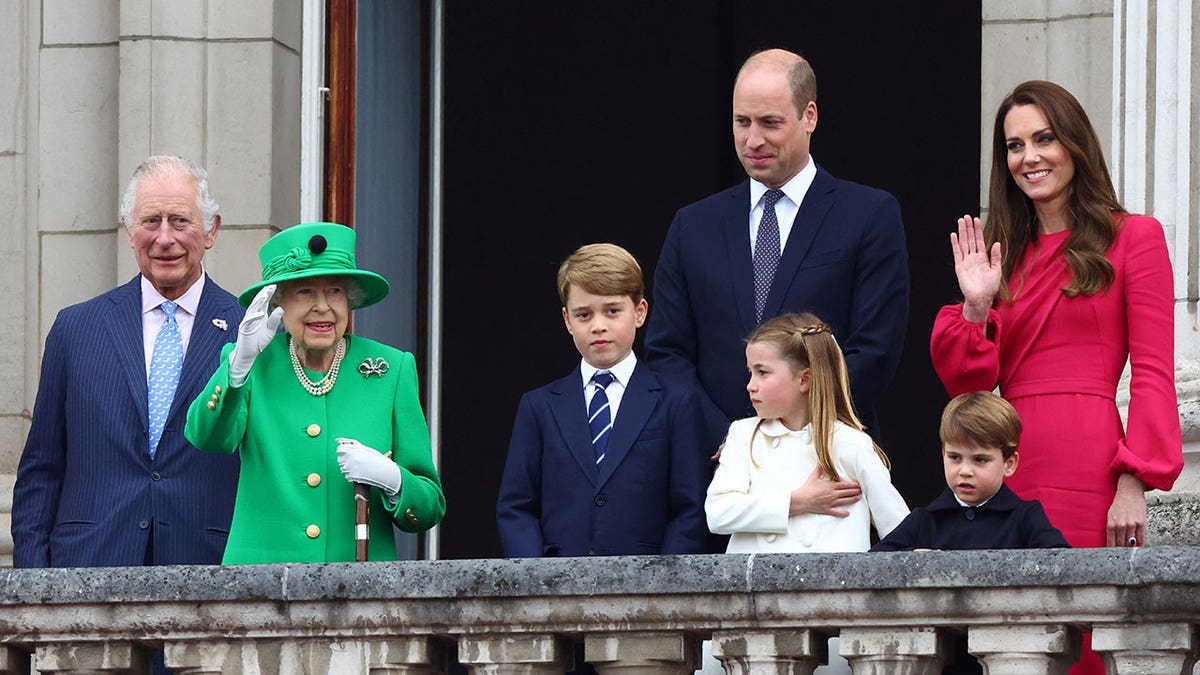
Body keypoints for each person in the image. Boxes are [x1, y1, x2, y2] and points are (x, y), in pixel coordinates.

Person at [931, 80, 1183, 674]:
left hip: (1088, 461)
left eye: (1044, 138)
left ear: (1075, 144)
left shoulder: (1134, 237)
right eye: (1015, 146)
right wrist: (975, 306)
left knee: (1082, 638)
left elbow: (1152, 372)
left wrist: (1133, 480)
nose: (1030, 157)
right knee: (1011, 636)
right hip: (1010, 459)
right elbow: (968, 384)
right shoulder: (1002, 257)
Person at [647, 48, 908, 465]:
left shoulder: (868, 215)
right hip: (716, 467)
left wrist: (795, 434)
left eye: (770, 122)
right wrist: (732, 438)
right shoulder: (692, 225)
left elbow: (874, 349)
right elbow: (667, 352)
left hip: (827, 460)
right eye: (741, 122)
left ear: (810, 117)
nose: (753, 140)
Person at [12, 155, 243, 568]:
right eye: (150, 221)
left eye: (180, 221)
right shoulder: (76, 328)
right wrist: (33, 585)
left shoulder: (252, 332)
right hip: (88, 568)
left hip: (211, 573)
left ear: (211, 230)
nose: (164, 237)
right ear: (128, 230)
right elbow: (42, 467)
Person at [184, 222, 445, 563]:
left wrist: (393, 479)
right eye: (305, 291)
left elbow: (428, 507)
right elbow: (207, 437)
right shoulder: (252, 363)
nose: (323, 306)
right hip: (261, 587)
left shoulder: (391, 370)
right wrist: (238, 366)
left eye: (335, 291)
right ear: (278, 301)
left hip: (358, 593)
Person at [496, 243, 709, 558]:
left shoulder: (677, 402)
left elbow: (690, 509)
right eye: (584, 314)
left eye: (612, 310)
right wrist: (535, 581)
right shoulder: (539, 406)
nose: (598, 325)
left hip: (649, 586)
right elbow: (516, 506)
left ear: (639, 312)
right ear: (567, 320)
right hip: (556, 587)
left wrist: (665, 588)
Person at [706, 312, 909, 553]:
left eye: (763, 372)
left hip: (830, 588)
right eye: (751, 371)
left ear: (805, 380)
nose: (750, 384)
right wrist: (797, 502)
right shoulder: (743, 435)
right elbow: (718, 514)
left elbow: (898, 528)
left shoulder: (850, 444)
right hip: (754, 588)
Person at [872, 391, 1069, 551]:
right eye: (955, 458)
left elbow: (1062, 563)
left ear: (1009, 464)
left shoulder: (1025, 518)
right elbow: (871, 564)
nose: (965, 471)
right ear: (943, 455)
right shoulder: (924, 520)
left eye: (980, 460)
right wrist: (910, 559)